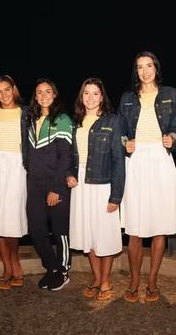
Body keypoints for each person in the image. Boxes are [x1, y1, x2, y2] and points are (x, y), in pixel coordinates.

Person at [118, 51, 176, 303]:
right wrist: (125, 143)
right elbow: (121, 132)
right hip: (135, 162)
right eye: (139, 67)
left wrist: (172, 140)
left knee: (159, 227)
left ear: (156, 67)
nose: (144, 71)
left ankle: (152, 280)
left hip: (160, 160)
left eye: (148, 66)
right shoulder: (127, 98)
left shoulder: (170, 94)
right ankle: (134, 280)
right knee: (134, 227)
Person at [67, 78, 126, 301]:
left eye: (95, 93)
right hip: (81, 186)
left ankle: (106, 280)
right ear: (81, 97)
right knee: (88, 234)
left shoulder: (113, 121)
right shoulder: (77, 123)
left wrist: (116, 196)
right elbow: (74, 158)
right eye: (86, 93)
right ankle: (97, 277)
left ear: (102, 96)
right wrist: (70, 175)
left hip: (102, 185)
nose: (90, 98)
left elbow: (119, 161)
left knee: (105, 235)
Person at [24, 78, 73, 291]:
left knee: (60, 229)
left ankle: (63, 271)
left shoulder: (62, 119)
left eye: (48, 91)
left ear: (54, 94)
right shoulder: (30, 119)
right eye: (39, 92)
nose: (43, 95)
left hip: (56, 184)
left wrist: (55, 187)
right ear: (35, 96)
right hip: (34, 184)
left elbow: (65, 157)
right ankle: (52, 267)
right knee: (36, 229)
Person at [0, 75, 28, 290]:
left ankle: (15, 261)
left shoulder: (27, 113)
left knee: (12, 216)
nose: (4, 94)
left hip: (17, 166)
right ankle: (7, 267)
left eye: (7, 89)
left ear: (14, 89)